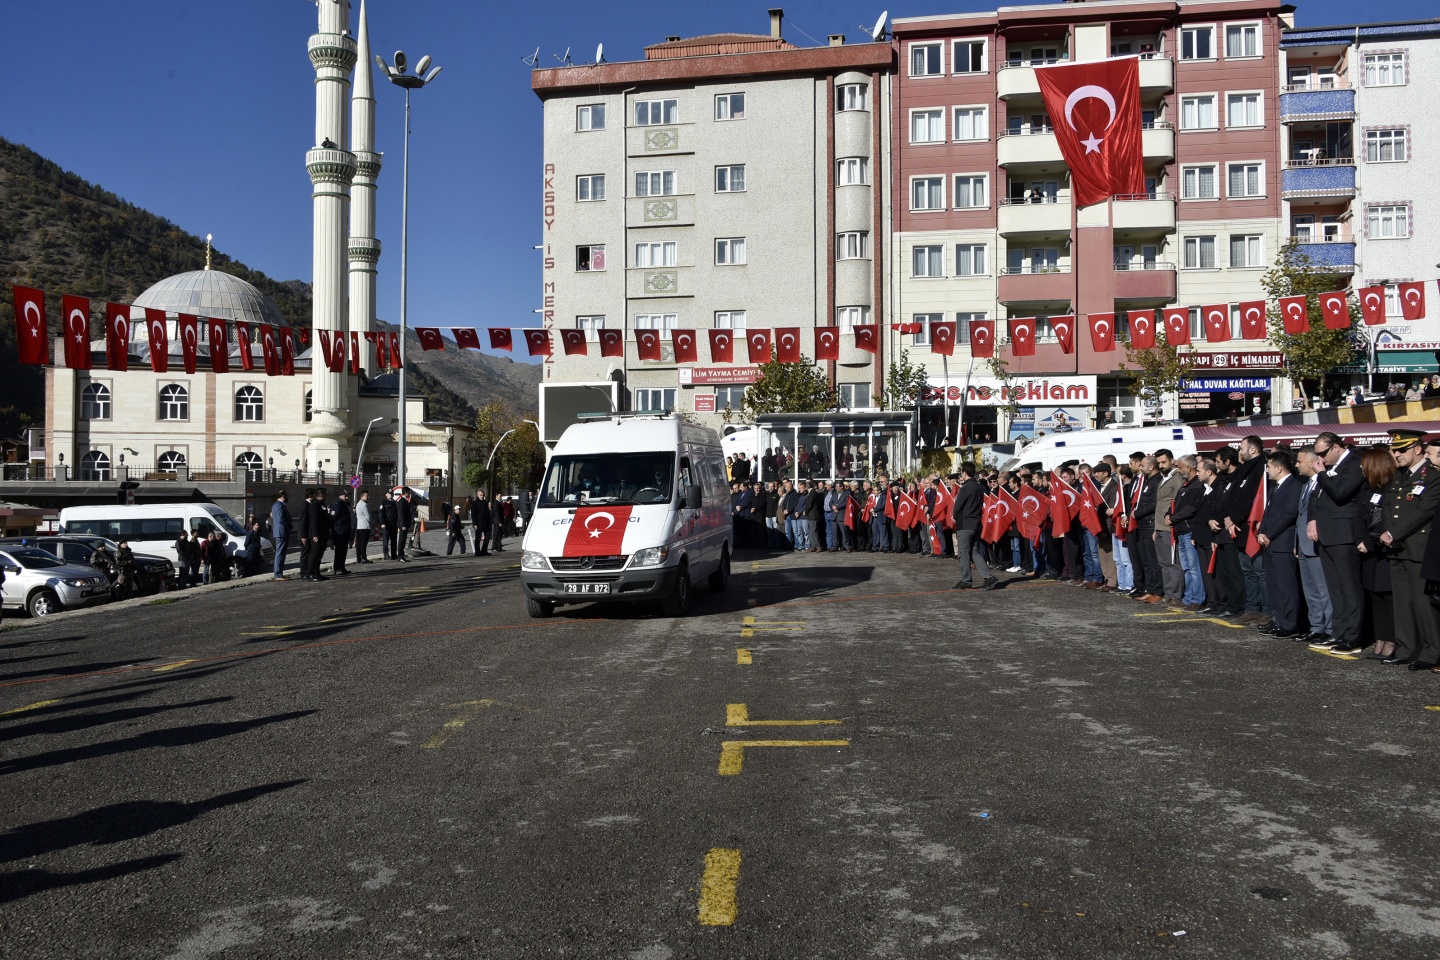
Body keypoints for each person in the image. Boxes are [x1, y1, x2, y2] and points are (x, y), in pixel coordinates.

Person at [1381, 430, 1440, 666]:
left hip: (1418, 546)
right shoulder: (1399, 475)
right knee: (1402, 602)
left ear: (1418, 449)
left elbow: (1424, 511)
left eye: (1402, 450)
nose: (1397, 454)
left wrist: (1394, 532)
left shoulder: (1433, 476)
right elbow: (1388, 505)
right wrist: (1388, 532)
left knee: (1423, 604)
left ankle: (1431, 652)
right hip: (1396, 546)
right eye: (1395, 450)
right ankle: (1406, 649)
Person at [1309, 432, 1366, 651]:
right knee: (1335, 588)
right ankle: (1339, 632)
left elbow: (1340, 493)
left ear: (1336, 447)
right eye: (1317, 454)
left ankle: (1352, 636)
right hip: (1326, 532)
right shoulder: (1327, 469)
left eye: (1323, 453)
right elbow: (1315, 495)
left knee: (1349, 587)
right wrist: (1312, 519)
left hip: (1344, 532)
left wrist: (1322, 474)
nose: (1320, 459)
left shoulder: (1354, 463)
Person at [1345, 445, 1396, 657]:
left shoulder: (1391, 489)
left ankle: (1391, 641)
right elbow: (1360, 517)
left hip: (1384, 551)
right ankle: (1379, 639)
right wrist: (1360, 539)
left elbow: (1387, 522)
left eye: (1365, 466)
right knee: (1375, 598)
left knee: (1388, 599)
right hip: (1367, 550)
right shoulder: (1368, 490)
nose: (1362, 469)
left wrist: (1371, 543)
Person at [1255, 450, 1303, 639]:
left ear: (1279, 468)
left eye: (1269, 467)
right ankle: (1279, 619)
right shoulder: (1276, 487)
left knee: (1286, 586)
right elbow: (1268, 514)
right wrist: (1261, 532)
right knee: (1274, 585)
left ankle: (1289, 624)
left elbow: (1289, 513)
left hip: (1283, 542)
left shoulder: (1293, 486)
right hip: (1271, 543)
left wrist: (1269, 533)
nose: (1267, 470)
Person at [1292, 446, 1332, 644]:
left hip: (1316, 543)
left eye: (1299, 461)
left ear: (1312, 461)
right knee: (1310, 590)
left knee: (1323, 589)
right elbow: (1300, 517)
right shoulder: (1305, 484)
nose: (1297, 465)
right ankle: (1316, 626)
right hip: (1303, 544)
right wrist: (1296, 542)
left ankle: (1330, 628)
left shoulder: (1323, 484)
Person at [952, 462, 996, 590]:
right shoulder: (978, 487)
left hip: (965, 524)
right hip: (976, 523)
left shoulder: (965, 488)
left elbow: (957, 506)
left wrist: (954, 516)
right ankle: (989, 577)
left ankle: (966, 580)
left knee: (964, 552)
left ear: (964, 473)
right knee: (974, 552)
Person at [299, 488, 330, 580]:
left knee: (319, 555)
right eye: (325, 494)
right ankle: (310, 573)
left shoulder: (321, 505)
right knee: (314, 554)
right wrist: (314, 534)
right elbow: (313, 521)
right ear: (321, 495)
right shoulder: (314, 505)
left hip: (323, 533)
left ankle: (317, 572)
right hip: (316, 534)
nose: (326, 496)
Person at [329, 490, 353, 575]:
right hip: (339, 531)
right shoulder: (337, 505)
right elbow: (333, 518)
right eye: (345, 496)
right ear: (340, 496)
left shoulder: (343, 505)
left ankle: (342, 567)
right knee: (339, 551)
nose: (347, 497)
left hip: (344, 531)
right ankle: (337, 568)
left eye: (347, 496)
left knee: (343, 551)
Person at [470, 490, 493, 557]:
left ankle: (484, 550)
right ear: (477, 495)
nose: (482, 496)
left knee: (487, 537)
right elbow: (473, 515)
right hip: (479, 522)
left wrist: (489, 522)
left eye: (483, 495)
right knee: (478, 538)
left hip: (486, 522)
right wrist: (475, 523)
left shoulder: (485, 503)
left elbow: (487, 513)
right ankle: (477, 552)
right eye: (480, 495)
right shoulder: (475, 503)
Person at [354, 491, 374, 565]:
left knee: (359, 543)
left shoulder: (358, 504)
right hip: (365, 526)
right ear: (362, 496)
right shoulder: (364, 505)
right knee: (363, 543)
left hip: (359, 526)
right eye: (366, 496)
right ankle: (364, 558)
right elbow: (368, 516)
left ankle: (358, 558)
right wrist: (372, 523)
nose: (368, 497)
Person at [392, 488, 412, 561]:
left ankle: (401, 555)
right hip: (402, 524)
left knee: (403, 540)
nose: (409, 494)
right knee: (401, 540)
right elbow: (401, 514)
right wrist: (403, 524)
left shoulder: (404, 501)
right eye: (409, 492)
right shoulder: (402, 501)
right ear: (406, 493)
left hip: (404, 524)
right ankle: (400, 556)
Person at [378, 490, 396, 560]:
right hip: (387, 523)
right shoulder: (384, 502)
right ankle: (386, 554)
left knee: (394, 540)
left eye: (391, 494)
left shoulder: (394, 503)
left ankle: (394, 554)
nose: (390, 495)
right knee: (386, 540)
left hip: (393, 524)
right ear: (386, 494)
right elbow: (381, 513)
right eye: (389, 494)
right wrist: (382, 522)